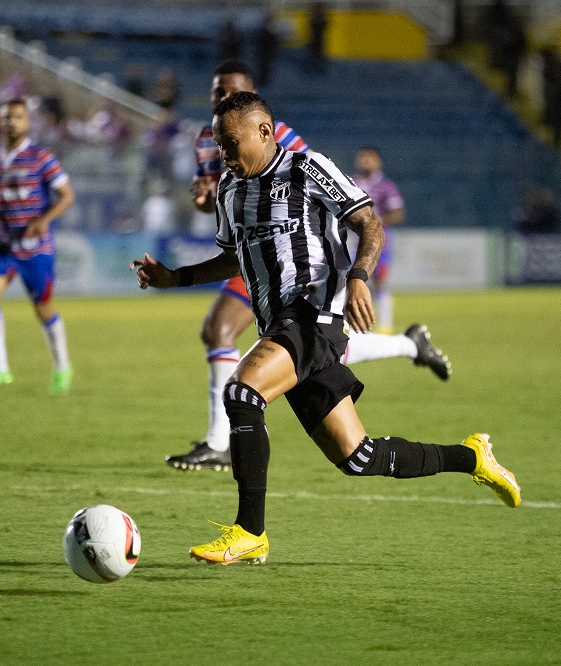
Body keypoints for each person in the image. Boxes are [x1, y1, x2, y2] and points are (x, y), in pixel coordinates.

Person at [132, 92, 521, 565]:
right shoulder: (231, 192)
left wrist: (359, 279)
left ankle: (249, 532)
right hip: (280, 325)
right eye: (218, 145)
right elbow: (234, 257)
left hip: (314, 317)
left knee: (241, 394)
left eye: (231, 143)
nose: (225, 155)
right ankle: (473, 457)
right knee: (358, 458)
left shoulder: (308, 168)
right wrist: (177, 277)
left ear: (264, 132)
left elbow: (369, 224)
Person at [171, 60, 451, 473]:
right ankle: (412, 348)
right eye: (217, 93)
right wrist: (201, 204)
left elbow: (298, 182)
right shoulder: (207, 140)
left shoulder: (283, 140)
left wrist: (355, 275)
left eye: (232, 93)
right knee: (357, 455)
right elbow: (220, 200)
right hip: (254, 258)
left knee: (235, 348)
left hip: (297, 272)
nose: (224, 100)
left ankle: (222, 452)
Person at [0, 98, 76, 395]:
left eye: (17, 117)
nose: (11, 122)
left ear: (27, 122)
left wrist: (44, 220)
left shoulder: (41, 157)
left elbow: (67, 195)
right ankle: (0, 369)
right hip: (3, 245)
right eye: (7, 117)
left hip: (35, 248)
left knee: (43, 308)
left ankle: (62, 367)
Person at [351, 146, 404, 334]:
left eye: (369, 158)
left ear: (378, 161)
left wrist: (378, 221)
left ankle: (385, 325)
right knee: (354, 282)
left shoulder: (386, 186)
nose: (365, 161)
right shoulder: (351, 182)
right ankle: (359, 325)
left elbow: (398, 213)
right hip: (356, 244)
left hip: (381, 245)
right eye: (362, 157)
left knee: (380, 283)